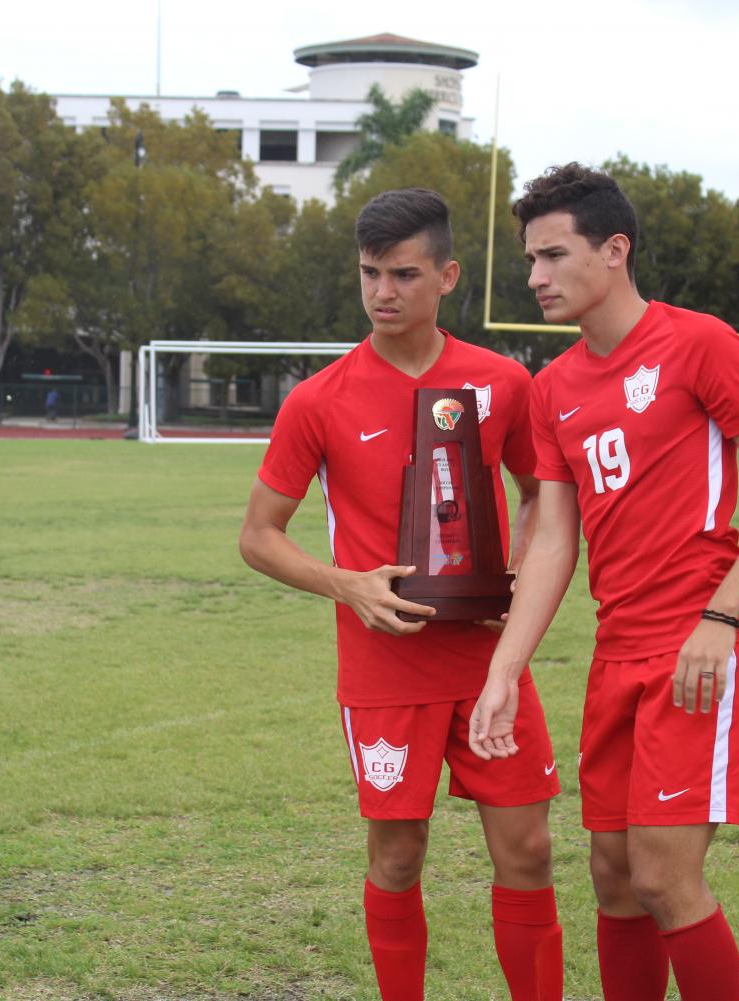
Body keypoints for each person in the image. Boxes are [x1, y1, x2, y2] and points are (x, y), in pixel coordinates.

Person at [469, 165, 739, 1001]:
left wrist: (720, 616)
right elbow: (553, 540)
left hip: (696, 645)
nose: (534, 277)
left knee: (664, 878)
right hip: (615, 652)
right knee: (614, 875)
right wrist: (504, 668)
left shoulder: (697, 343)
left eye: (553, 256)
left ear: (614, 250)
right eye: (529, 259)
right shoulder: (552, 390)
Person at [239, 188, 564, 1000]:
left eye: (403, 273)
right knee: (396, 856)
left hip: (490, 665)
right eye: (369, 273)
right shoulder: (319, 399)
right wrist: (344, 583)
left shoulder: (501, 383)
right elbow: (259, 536)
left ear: (447, 276)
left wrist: (517, 569)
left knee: (526, 851)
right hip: (384, 673)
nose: (383, 291)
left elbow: (538, 496)